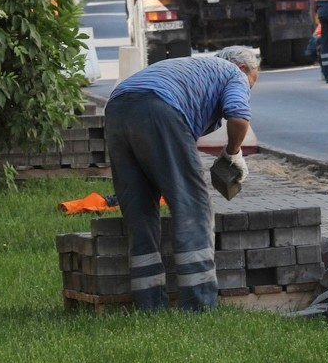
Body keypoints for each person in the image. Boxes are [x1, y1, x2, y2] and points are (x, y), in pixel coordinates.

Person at [103, 46, 260, 310]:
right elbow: (238, 116)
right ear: (244, 68)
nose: (249, 87)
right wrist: (233, 155)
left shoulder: (194, 69)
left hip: (117, 109)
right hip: (158, 108)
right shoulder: (234, 73)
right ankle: (199, 305)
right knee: (192, 207)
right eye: (253, 81)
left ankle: (149, 305)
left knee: (138, 210)